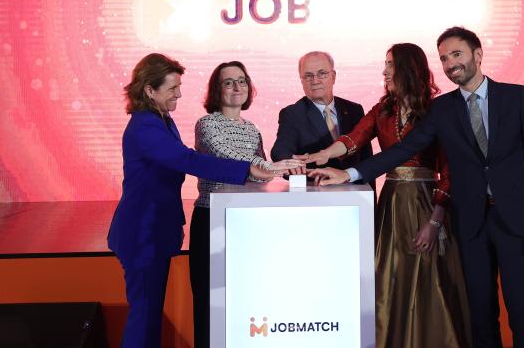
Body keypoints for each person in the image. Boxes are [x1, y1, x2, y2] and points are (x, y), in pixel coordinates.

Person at [308, 27, 524, 348]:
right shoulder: (441, 109)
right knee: (481, 316)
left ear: (478, 55)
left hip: (518, 224)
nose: (451, 63)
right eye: (444, 58)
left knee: (522, 313)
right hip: (469, 225)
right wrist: (350, 174)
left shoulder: (516, 97)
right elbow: (403, 150)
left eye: (457, 54)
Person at [107, 53, 299, 347]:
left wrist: (263, 170)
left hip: (154, 232)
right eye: (172, 88)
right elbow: (186, 159)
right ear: (150, 90)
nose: (179, 94)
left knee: (149, 318)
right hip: (142, 233)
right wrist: (249, 169)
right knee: (144, 319)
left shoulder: (161, 120)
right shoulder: (146, 125)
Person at [300, 43, 471, 348]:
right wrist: (322, 155)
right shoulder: (383, 109)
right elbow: (353, 139)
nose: (384, 71)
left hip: (427, 202)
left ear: (408, 68)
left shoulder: (437, 110)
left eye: (390, 65)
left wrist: (435, 220)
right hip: (391, 203)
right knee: (390, 279)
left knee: (429, 277)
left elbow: (449, 170)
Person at [189, 61, 294, 348]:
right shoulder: (207, 123)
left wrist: (276, 170)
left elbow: (259, 177)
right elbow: (227, 155)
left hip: (245, 224)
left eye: (242, 81)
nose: (237, 87)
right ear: (217, 89)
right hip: (212, 218)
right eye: (228, 82)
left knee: (244, 301)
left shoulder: (252, 129)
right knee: (210, 303)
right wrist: (269, 167)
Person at [271, 51, 372, 175]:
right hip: (316, 185)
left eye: (322, 73)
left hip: (355, 186)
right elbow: (280, 150)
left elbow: (366, 158)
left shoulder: (354, 110)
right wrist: (290, 163)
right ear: (301, 80)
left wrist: (369, 187)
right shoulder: (292, 114)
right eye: (308, 76)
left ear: (333, 77)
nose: (315, 81)